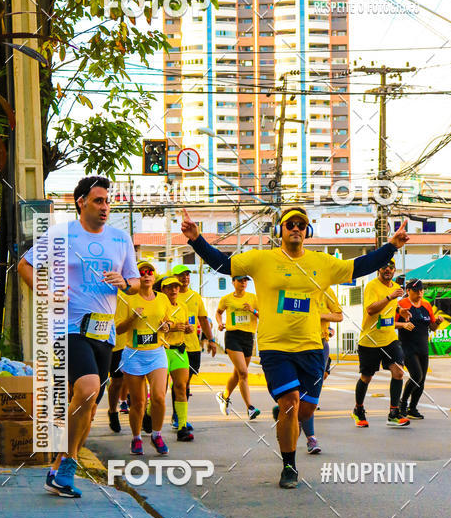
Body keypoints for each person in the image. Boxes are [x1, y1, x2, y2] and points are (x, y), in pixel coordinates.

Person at [181, 204, 409, 488]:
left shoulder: (322, 263)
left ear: (307, 231)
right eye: (291, 224)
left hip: (312, 348)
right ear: (281, 231)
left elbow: (359, 266)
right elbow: (223, 264)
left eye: (301, 225)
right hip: (275, 348)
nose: (296, 229)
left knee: (305, 411)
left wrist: (391, 247)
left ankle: (285, 417)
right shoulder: (261, 260)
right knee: (290, 403)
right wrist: (195, 239)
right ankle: (289, 465)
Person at [18, 175, 140, 497]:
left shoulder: (120, 238)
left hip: (105, 332)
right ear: (81, 202)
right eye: (98, 200)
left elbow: (135, 282)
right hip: (69, 327)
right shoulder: (62, 234)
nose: (105, 207)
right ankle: (69, 462)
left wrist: (124, 283)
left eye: (107, 201)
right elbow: (25, 265)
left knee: (90, 406)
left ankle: (59, 468)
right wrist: (47, 292)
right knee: (86, 390)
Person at [116, 261, 172, 455]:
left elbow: (167, 321)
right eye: (142, 272)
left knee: (158, 397)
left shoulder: (163, 298)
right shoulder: (126, 298)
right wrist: (132, 319)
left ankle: (156, 435)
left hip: (156, 352)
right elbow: (118, 329)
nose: (146, 275)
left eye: (150, 272)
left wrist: (167, 326)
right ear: (137, 277)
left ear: (154, 277)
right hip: (133, 354)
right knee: (138, 402)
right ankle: (136, 437)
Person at [352, 260, 410, 428]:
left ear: (394, 270)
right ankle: (358, 409)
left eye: (391, 267)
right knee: (366, 377)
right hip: (370, 340)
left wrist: (400, 311)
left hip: (389, 339)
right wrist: (389, 297)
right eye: (384, 267)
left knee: (398, 371)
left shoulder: (394, 287)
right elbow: (371, 309)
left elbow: (392, 305)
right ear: (379, 269)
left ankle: (394, 413)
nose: (388, 270)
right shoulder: (372, 286)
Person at [172, 264, 217, 429]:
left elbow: (203, 319)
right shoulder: (169, 295)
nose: (185, 278)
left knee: (186, 382)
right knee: (180, 383)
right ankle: (177, 417)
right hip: (174, 347)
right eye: (181, 276)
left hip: (193, 347)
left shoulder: (196, 297)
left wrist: (211, 340)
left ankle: (177, 414)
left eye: (187, 275)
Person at [300, 285, 342, 453]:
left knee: (311, 392)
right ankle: (308, 434)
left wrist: (321, 317)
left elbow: (338, 316)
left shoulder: (326, 291)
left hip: (320, 345)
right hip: (297, 344)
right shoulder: (296, 288)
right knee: (298, 392)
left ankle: (306, 431)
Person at [215, 274, 261, 419]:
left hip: (248, 338)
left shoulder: (253, 298)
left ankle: (224, 396)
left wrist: (252, 311)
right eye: (240, 280)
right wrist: (220, 322)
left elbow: (263, 315)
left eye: (245, 280)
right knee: (243, 372)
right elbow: (218, 312)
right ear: (233, 282)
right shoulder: (227, 299)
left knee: (238, 373)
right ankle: (250, 408)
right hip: (233, 336)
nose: (243, 282)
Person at [396, 279, 442, 420]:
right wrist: (403, 325)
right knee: (416, 376)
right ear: (408, 291)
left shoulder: (427, 305)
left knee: (422, 380)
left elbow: (432, 327)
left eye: (421, 290)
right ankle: (402, 404)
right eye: (416, 291)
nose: (419, 293)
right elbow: (390, 323)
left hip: (423, 346)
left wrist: (438, 322)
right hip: (407, 346)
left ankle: (413, 408)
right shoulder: (401, 305)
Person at [162, 275, 195, 442]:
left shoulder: (183, 306)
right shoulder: (161, 306)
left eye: (176, 287)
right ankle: (148, 414)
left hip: (180, 351)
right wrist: (173, 327)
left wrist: (188, 328)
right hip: (163, 351)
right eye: (170, 287)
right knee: (160, 391)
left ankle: (182, 426)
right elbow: (157, 328)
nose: (174, 290)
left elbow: (188, 325)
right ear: (163, 290)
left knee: (182, 387)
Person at [107, 295, 130, 433]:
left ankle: (145, 415)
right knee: (117, 382)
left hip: (137, 344)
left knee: (139, 380)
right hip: (116, 344)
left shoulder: (140, 293)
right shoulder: (114, 293)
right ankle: (112, 411)